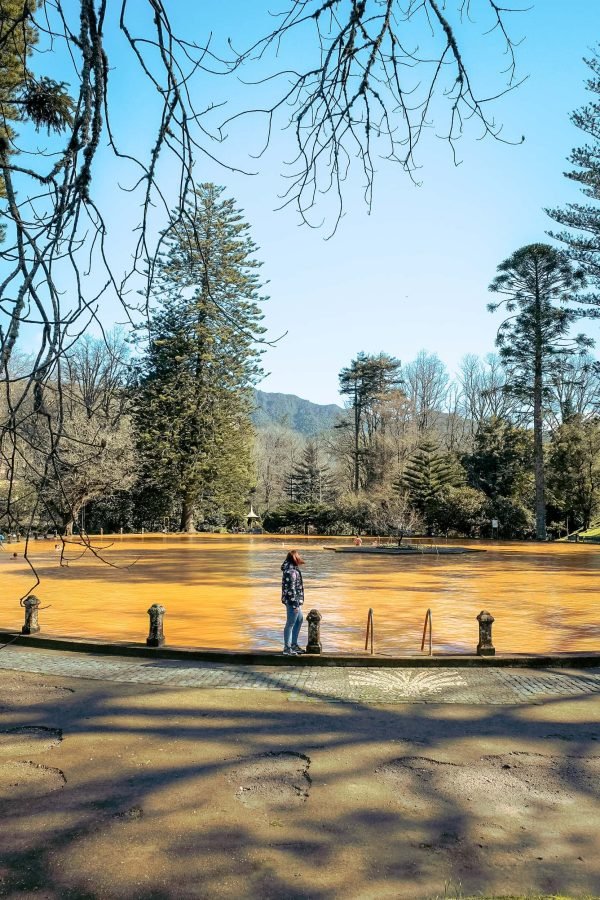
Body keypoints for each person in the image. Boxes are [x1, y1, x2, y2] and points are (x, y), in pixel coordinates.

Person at [281, 549, 305, 656]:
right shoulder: (291, 572)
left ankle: (294, 644)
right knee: (290, 623)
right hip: (292, 601)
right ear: (295, 559)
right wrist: (295, 605)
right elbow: (291, 590)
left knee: (299, 620)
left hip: (295, 600)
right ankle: (287, 647)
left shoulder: (292, 569)